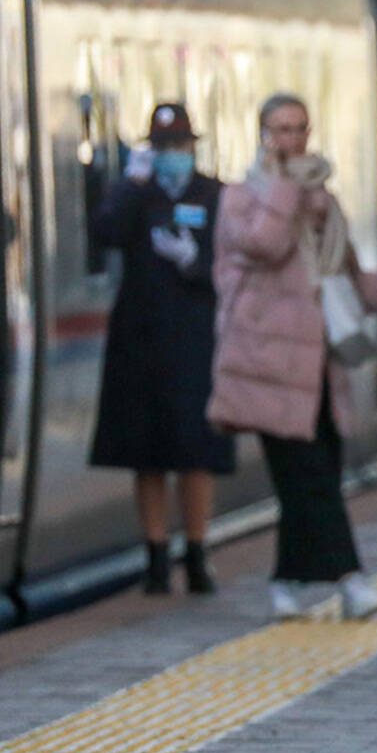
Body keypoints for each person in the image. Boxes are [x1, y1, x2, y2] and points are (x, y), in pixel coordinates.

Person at [208, 93, 377, 621]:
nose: (291, 140)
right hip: (266, 370)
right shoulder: (241, 198)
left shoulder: (323, 202)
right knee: (310, 481)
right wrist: (289, 190)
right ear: (261, 134)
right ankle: (353, 582)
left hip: (319, 371)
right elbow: (264, 245)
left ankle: (285, 583)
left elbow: (352, 280)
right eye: (280, 129)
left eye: (299, 128)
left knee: (311, 479)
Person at [90, 103, 234, 596]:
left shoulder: (214, 193)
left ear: (193, 148)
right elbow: (104, 233)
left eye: (179, 146)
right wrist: (130, 185)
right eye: (163, 148)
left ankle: (196, 553)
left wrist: (194, 262)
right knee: (146, 452)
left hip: (195, 337)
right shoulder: (136, 194)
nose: (172, 156)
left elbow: (230, 261)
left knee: (195, 451)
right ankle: (154, 557)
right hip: (140, 338)